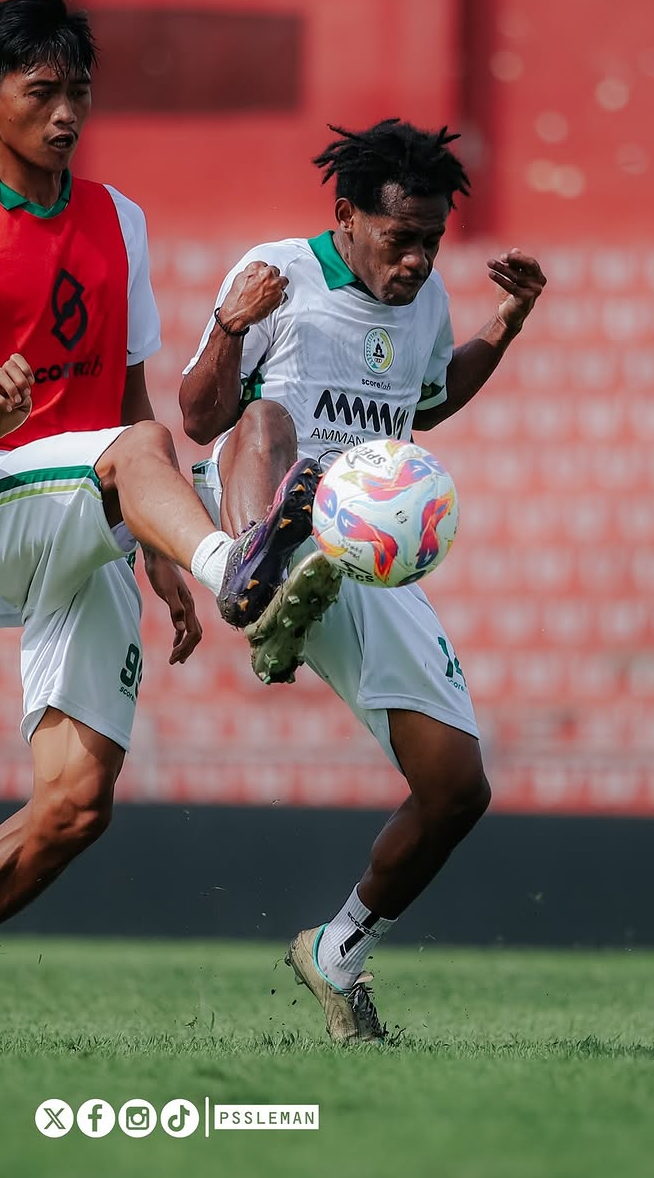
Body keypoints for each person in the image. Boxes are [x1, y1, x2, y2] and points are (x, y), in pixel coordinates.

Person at [0, 0, 317, 1044]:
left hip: (86, 500)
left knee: (75, 809)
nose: (65, 113)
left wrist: (159, 554)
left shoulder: (117, 221)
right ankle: (243, 561)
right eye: (40, 91)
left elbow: (132, 406)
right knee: (145, 461)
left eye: (78, 92)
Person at [180, 119, 548, 1042]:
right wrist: (231, 327)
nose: (419, 259)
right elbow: (198, 416)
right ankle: (256, 580)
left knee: (458, 786)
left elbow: (430, 401)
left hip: (364, 544)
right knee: (268, 421)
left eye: (431, 241)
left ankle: (338, 949)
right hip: (262, 500)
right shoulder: (277, 274)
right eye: (401, 239)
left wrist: (502, 327)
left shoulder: (425, 303)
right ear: (347, 216)